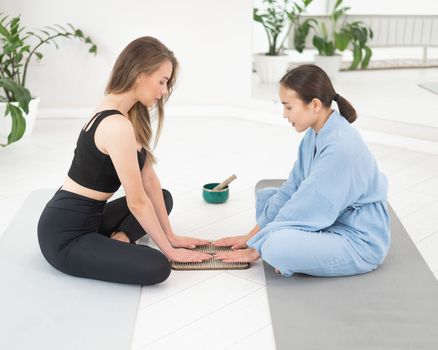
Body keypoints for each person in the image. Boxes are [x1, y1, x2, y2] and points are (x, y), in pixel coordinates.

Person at [37, 36, 211, 285]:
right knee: (158, 266)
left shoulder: (125, 115)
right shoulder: (116, 125)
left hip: (91, 218)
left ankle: (119, 238)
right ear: (140, 73)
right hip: (66, 235)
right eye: (162, 82)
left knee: (163, 196)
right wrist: (170, 253)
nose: (164, 92)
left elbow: (148, 180)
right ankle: (112, 242)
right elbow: (137, 202)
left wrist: (171, 236)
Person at [214, 64, 391, 277]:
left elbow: (308, 203)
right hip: (331, 217)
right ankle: (296, 249)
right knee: (268, 197)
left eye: (288, 107)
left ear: (314, 105)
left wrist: (256, 248)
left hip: (358, 240)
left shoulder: (340, 147)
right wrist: (249, 237)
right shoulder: (314, 134)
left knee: (274, 246)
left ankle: (293, 252)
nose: (284, 114)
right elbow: (293, 187)